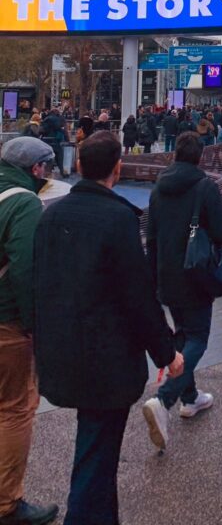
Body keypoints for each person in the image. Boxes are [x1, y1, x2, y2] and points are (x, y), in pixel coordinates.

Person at [34, 133, 183, 525]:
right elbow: (137, 296)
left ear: (80, 165)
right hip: (107, 357)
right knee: (97, 455)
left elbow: (39, 280)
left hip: (63, 347)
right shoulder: (117, 219)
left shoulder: (51, 215)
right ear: (117, 168)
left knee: (96, 444)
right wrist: (166, 352)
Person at [143, 132, 222, 449]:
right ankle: (163, 399)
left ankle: (190, 397)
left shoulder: (158, 188)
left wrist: (152, 277)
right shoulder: (205, 187)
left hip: (166, 271)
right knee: (197, 338)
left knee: (181, 334)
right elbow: (221, 231)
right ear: (200, 157)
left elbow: (150, 236)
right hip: (196, 272)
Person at [0, 138, 58, 525]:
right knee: (16, 407)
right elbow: (25, 269)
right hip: (6, 321)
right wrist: (34, 324)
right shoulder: (24, 203)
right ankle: (7, 502)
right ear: (36, 169)